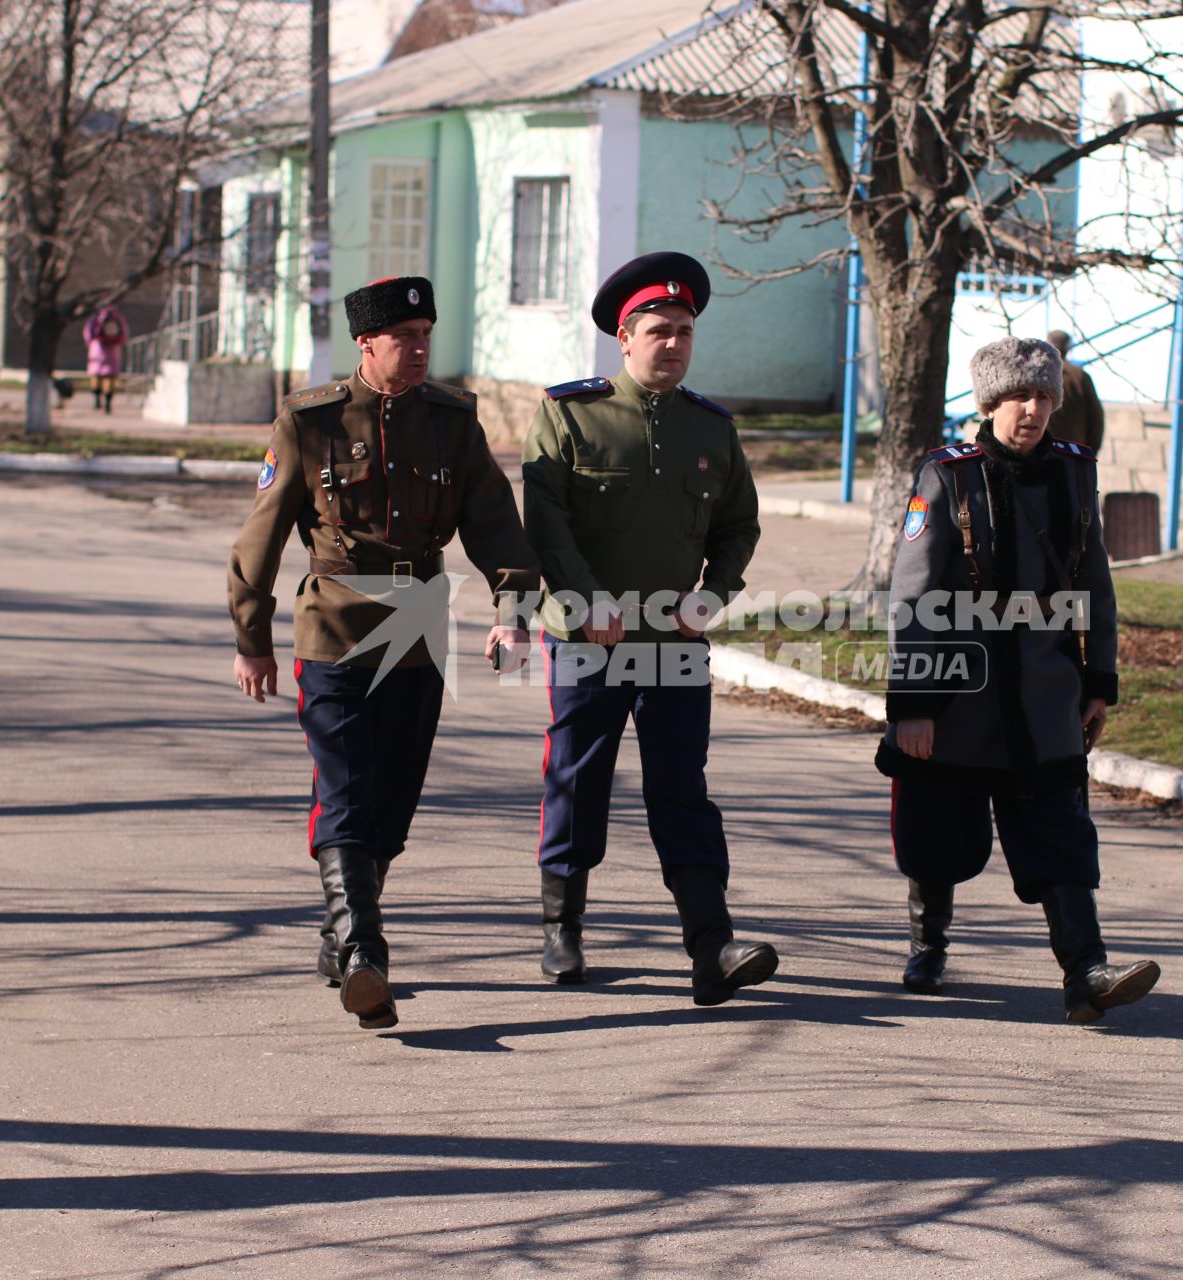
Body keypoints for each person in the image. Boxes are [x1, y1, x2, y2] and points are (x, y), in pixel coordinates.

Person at [227, 275, 538, 1030]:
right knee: (344, 790)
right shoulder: (311, 422)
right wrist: (252, 638)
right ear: (367, 344)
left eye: (427, 333)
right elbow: (261, 537)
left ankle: (341, 930)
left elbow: (495, 525)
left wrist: (512, 611)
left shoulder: (451, 422)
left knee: (392, 805)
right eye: (406, 337)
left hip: (419, 626)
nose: (421, 347)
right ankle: (366, 949)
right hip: (333, 626)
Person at [875, 335, 1158, 1025]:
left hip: (1043, 695)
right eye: (1016, 397)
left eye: (1043, 397)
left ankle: (1086, 974)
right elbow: (911, 600)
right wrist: (912, 703)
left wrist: (1100, 679)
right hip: (958, 697)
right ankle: (928, 943)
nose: (1031, 411)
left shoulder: (1072, 471)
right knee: (938, 833)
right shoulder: (945, 476)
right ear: (989, 402)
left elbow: (1095, 581)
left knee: (1060, 835)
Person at [519, 250, 776, 1007]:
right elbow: (546, 524)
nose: (673, 344)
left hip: (673, 642)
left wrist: (712, 596)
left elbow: (739, 526)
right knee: (579, 777)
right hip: (585, 636)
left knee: (682, 788)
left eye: (685, 332)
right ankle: (562, 926)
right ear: (624, 338)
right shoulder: (571, 414)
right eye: (659, 331)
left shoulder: (711, 428)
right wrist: (588, 600)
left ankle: (711, 944)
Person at [1044, 330, 1105, 453]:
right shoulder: (1080, 377)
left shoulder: (1037, 373)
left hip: (1041, 452)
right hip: (1073, 453)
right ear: (1068, 347)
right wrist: (1088, 452)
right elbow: (1096, 418)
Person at [83, 305, 129, 413]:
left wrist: (90, 344)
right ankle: (108, 402)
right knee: (110, 377)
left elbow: (88, 332)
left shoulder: (96, 317)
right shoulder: (117, 317)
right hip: (113, 350)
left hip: (97, 348)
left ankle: (97, 399)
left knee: (96, 375)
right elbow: (124, 332)